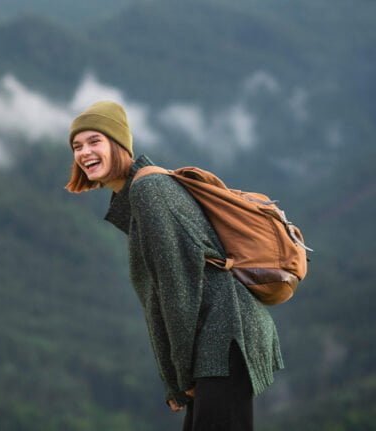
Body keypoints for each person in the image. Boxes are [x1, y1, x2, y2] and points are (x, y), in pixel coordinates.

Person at [65, 100, 284, 431]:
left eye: (95, 141)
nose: (83, 153)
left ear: (119, 143)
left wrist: (179, 378)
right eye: (77, 146)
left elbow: (175, 291)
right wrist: (177, 379)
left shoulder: (149, 191)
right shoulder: (139, 195)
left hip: (225, 337)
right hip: (215, 342)